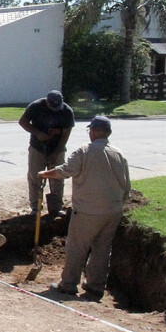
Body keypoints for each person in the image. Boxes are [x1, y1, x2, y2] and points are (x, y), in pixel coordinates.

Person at [39, 115, 131, 301]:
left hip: (88, 210)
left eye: (91, 130)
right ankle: (96, 286)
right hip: (113, 210)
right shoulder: (118, 153)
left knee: (77, 247)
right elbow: (127, 185)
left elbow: (66, 170)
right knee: (102, 249)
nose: (89, 133)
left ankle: (68, 284)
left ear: (96, 131)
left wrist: (44, 173)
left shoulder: (85, 151)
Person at [19, 89, 75, 217]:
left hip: (57, 148)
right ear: (47, 102)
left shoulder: (67, 111)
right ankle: (35, 208)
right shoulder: (36, 107)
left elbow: (66, 134)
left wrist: (57, 152)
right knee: (35, 177)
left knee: (58, 177)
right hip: (37, 148)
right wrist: (38, 133)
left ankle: (56, 207)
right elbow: (22, 122)